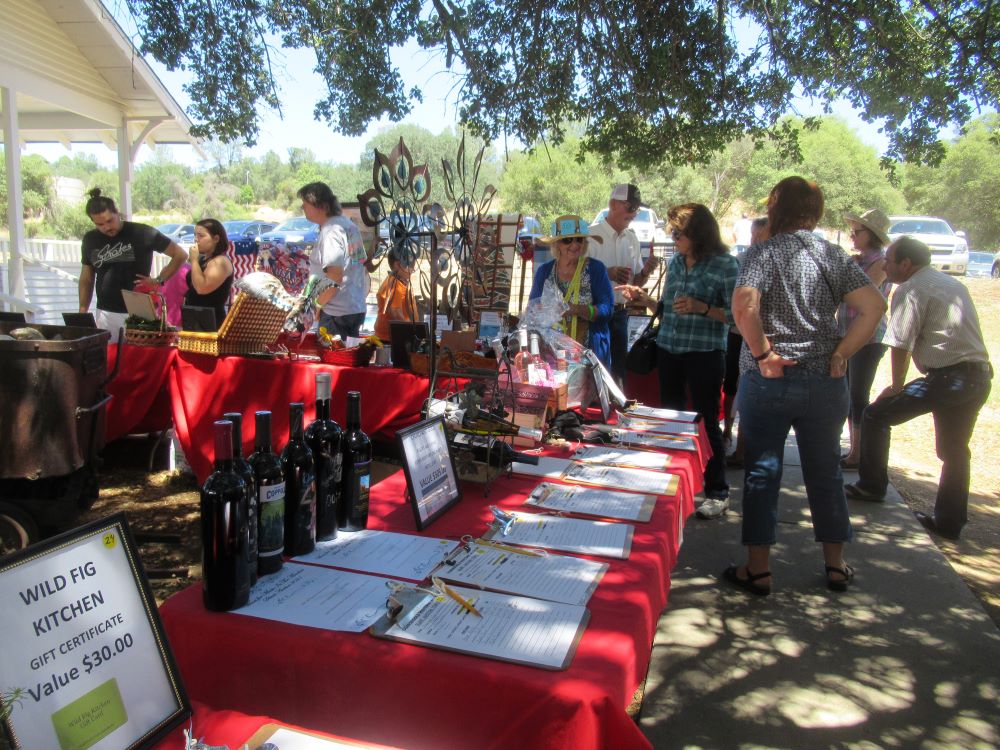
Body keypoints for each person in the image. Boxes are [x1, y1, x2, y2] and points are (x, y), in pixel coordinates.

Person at [727, 176, 885, 596]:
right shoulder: (833, 255)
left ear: (776, 207)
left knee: (762, 469)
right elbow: (873, 306)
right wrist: (842, 352)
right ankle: (835, 565)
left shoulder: (761, 253)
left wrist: (763, 355)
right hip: (824, 380)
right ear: (814, 212)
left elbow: (744, 307)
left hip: (768, 380)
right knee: (825, 470)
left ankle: (758, 569)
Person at [845, 237, 992, 540]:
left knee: (875, 415)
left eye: (889, 260)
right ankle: (949, 522)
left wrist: (897, 385)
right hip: (977, 377)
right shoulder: (951, 284)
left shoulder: (910, 289)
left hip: (948, 379)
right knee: (954, 451)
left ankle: (871, 486)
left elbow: (900, 342)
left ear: (906, 264)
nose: (884, 266)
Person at [619, 203, 740, 517]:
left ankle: (717, 491)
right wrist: (645, 300)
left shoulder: (726, 265)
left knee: (706, 421)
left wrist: (703, 308)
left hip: (705, 354)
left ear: (697, 233)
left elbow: (738, 317)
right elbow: (668, 308)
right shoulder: (675, 263)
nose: (673, 238)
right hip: (670, 349)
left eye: (678, 232)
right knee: (671, 421)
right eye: (672, 232)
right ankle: (673, 485)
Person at [79, 189, 187, 335]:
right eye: (100, 224)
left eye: (110, 221)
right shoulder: (90, 239)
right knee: (109, 356)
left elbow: (180, 254)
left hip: (139, 310)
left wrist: (158, 280)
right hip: (105, 311)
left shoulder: (142, 232)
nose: (107, 227)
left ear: (117, 212)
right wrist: (83, 309)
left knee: (140, 356)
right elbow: (86, 278)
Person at [588, 184, 658, 384]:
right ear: (612, 204)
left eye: (635, 209)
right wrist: (606, 273)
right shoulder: (590, 236)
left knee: (618, 372)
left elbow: (636, 281)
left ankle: (616, 412)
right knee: (595, 371)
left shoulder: (632, 239)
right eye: (629, 207)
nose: (633, 213)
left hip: (620, 314)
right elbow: (575, 277)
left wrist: (645, 271)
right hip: (594, 315)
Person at [839, 209, 892, 468]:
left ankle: (858, 453)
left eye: (857, 232)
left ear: (871, 235)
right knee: (850, 393)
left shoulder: (880, 262)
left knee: (858, 394)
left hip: (868, 338)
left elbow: (857, 290)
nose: (852, 236)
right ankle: (854, 450)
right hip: (849, 335)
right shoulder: (859, 260)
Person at [528, 215, 614, 368]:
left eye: (579, 239)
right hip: (553, 353)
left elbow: (607, 310)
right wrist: (543, 311)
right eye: (568, 240)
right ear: (557, 244)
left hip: (589, 353)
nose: (574, 245)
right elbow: (532, 309)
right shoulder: (545, 271)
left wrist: (575, 309)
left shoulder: (595, 269)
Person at [724, 216, 769, 467]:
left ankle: (744, 448)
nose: (754, 240)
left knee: (750, 391)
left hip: (759, 339)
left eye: (759, 235)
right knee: (732, 386)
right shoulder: (740, 261)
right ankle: (727, 433)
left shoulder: (768, 261)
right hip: (736, 334)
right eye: (752, 235)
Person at [298, 182, 370, 338]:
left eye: (305, 204)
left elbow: (334, 276)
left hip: (336, 315)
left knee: (334, 360)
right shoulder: (349, 226)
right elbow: (361, 266)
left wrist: (318, 305)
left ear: (321, 205)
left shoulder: (331, 231)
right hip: (353, 308)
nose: (302, 208)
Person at [183, 219, 235, 331]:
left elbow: (202, 288)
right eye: (195, 235)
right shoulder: (203, 259)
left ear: (216, 238)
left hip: (211, 322)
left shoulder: (221, 262)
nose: (196, 240)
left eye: (201, 236)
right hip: (194, 317)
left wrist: (194, 261)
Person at [374, 248, 418, 341]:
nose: (413, 269)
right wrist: (412, 332)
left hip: (394, 335)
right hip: (390, 338)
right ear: (398, 264)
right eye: (410, 265)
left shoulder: (400, 283)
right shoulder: (395, 284)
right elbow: (395, 312)